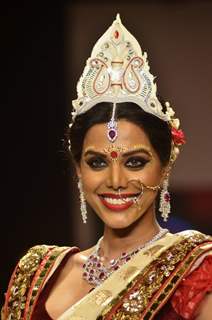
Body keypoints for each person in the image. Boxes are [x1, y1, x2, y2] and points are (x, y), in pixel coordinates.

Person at [2, 14, 212, 320]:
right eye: (97, 162)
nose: (115, 180)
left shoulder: (193, 274)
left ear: (165, 166)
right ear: (78, 169)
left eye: (135, 162)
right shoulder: (36, 274)